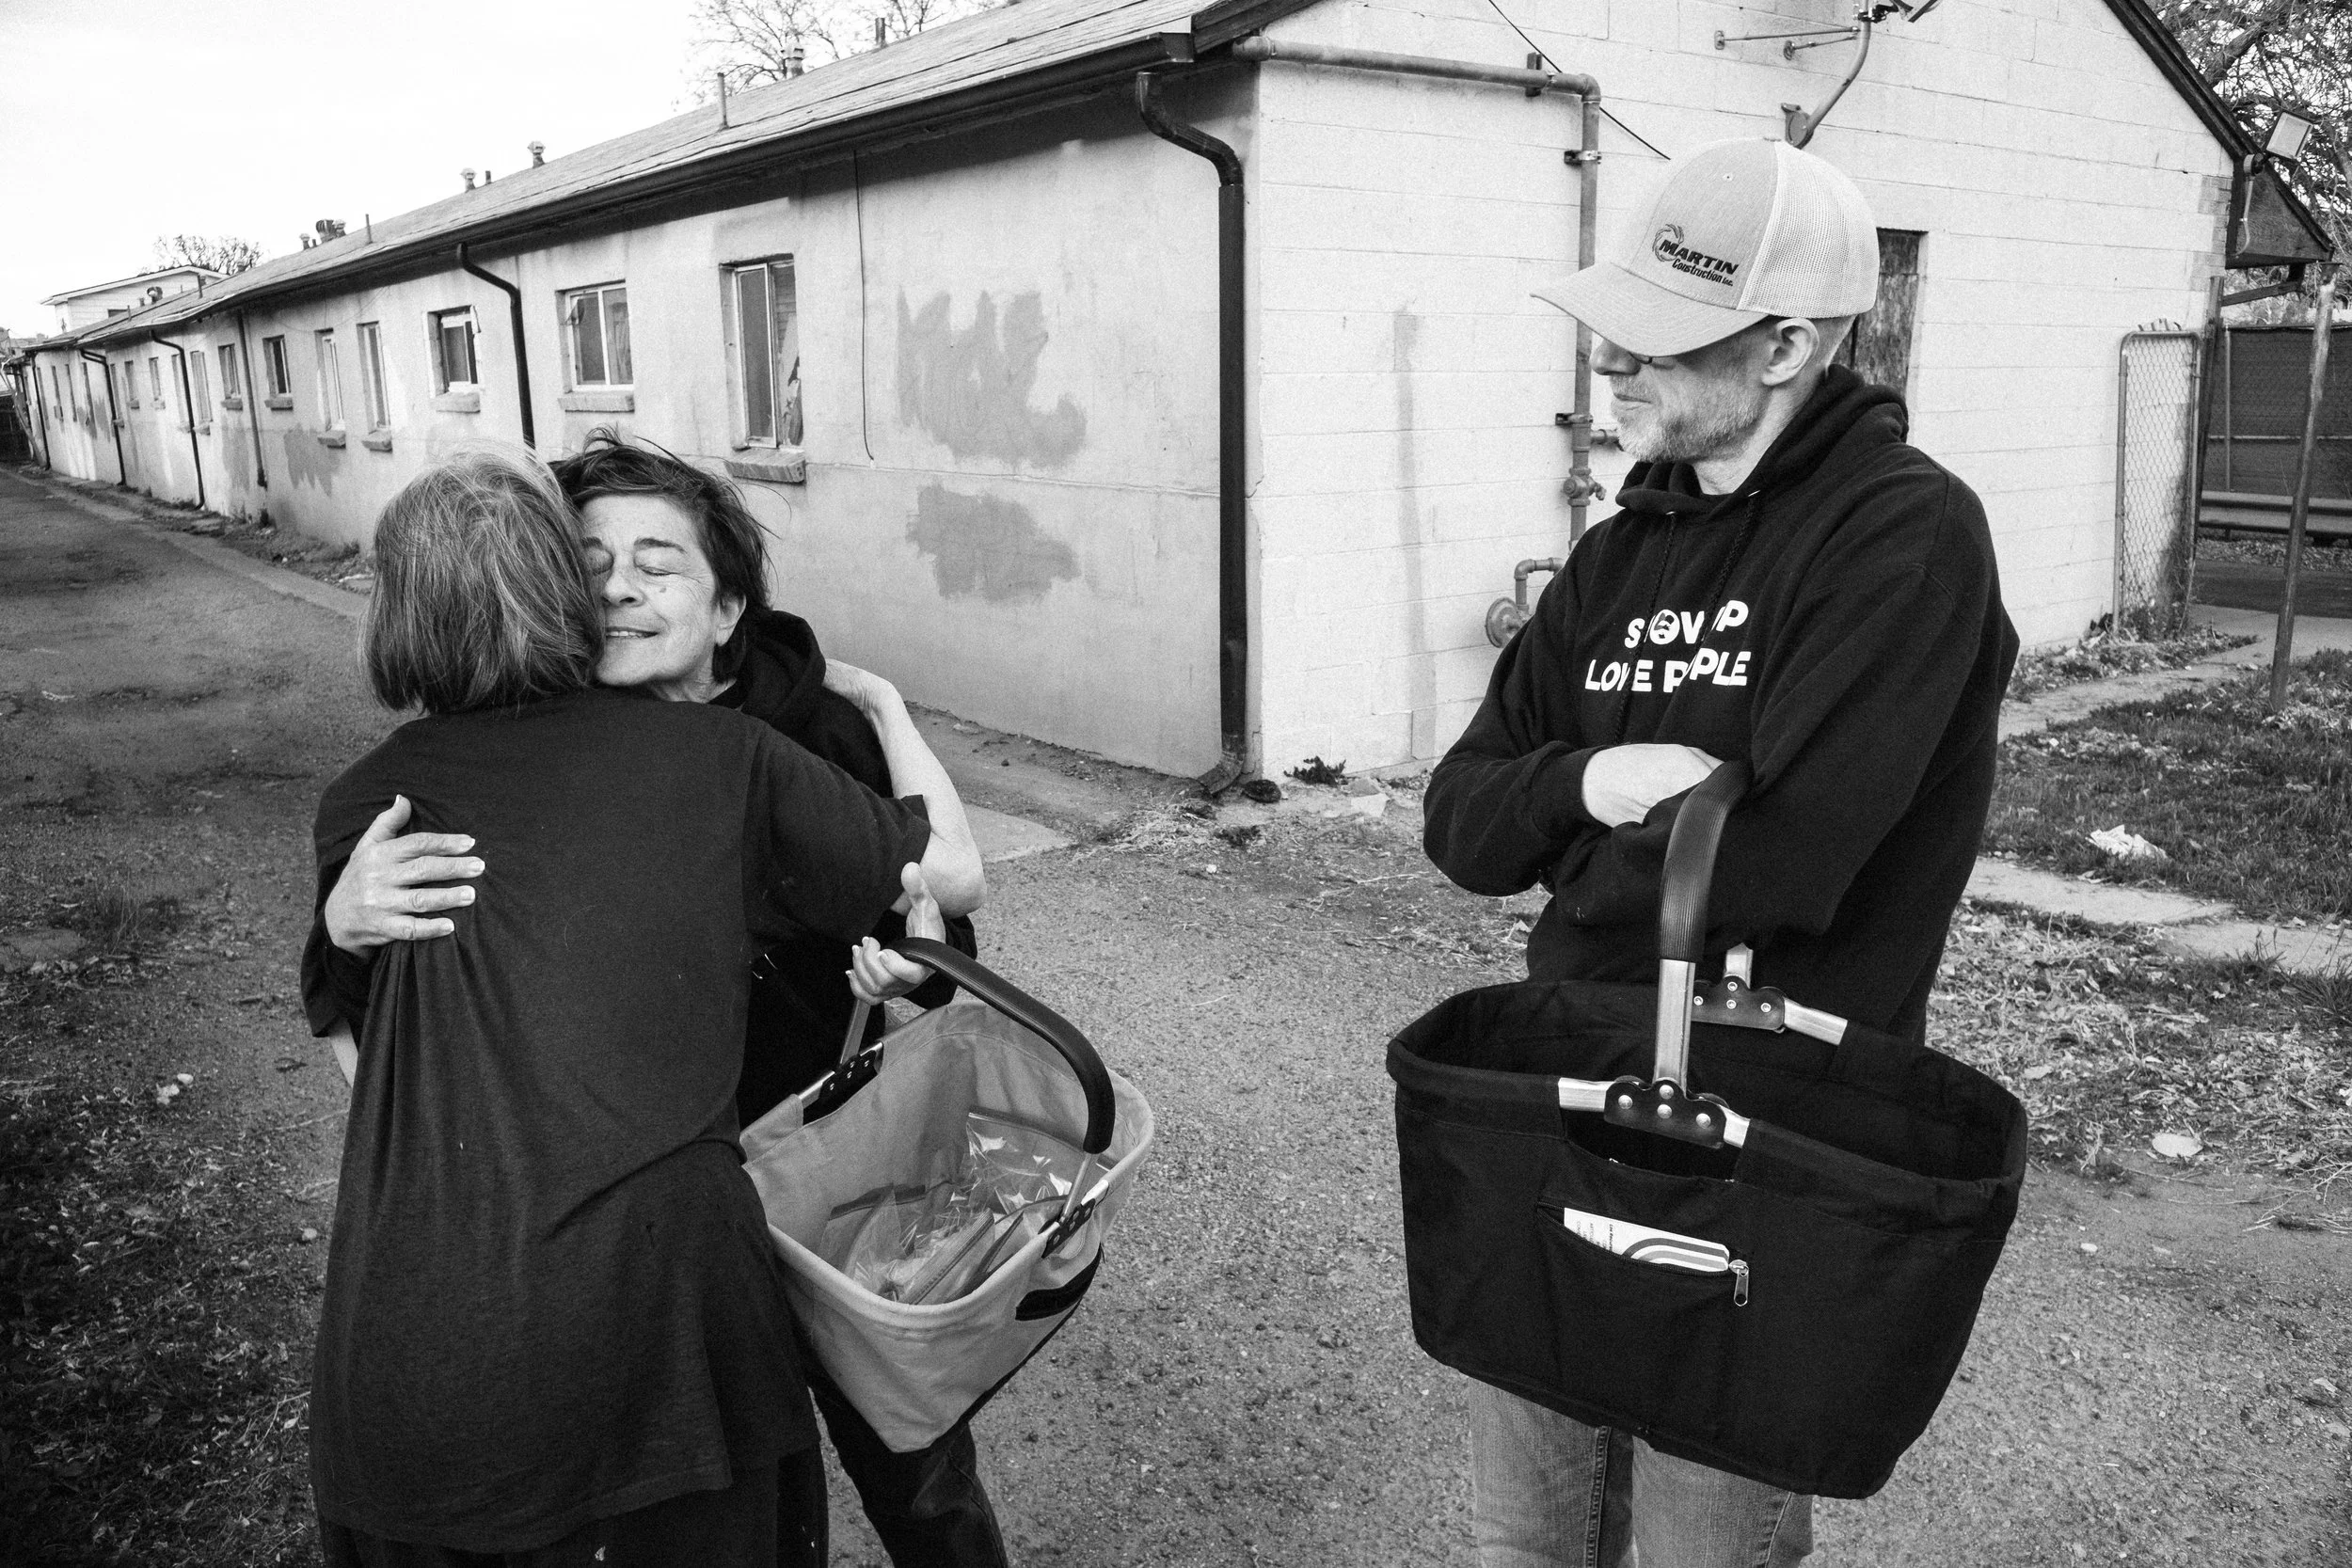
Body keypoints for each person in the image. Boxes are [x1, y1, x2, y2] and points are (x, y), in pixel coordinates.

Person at [1422, 138, 2020, 1568]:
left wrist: (1561, 838)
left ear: (1788, 346)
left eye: (1655, 341)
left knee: (1708, 1538)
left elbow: (1778, 865)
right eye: (1606, 333)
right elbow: (1459, 819)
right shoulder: (1621, 551)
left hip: (1771, 1119)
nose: (1610, 369)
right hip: (1565, 1084)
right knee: (1525, 1532)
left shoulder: (1903, 533)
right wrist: (1603, 777)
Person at [324, 432, 1010, 1568]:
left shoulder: (792, 740)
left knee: (909, 1454)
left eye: (657, 562)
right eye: (587, 561)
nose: (617, 588)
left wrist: (904, 978)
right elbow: (391, 1033)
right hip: (674, 1210)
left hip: (814, 1155)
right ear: (549, 588)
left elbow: (943, 906)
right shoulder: (451, 789)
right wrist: (344, 920)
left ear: (727, 605)